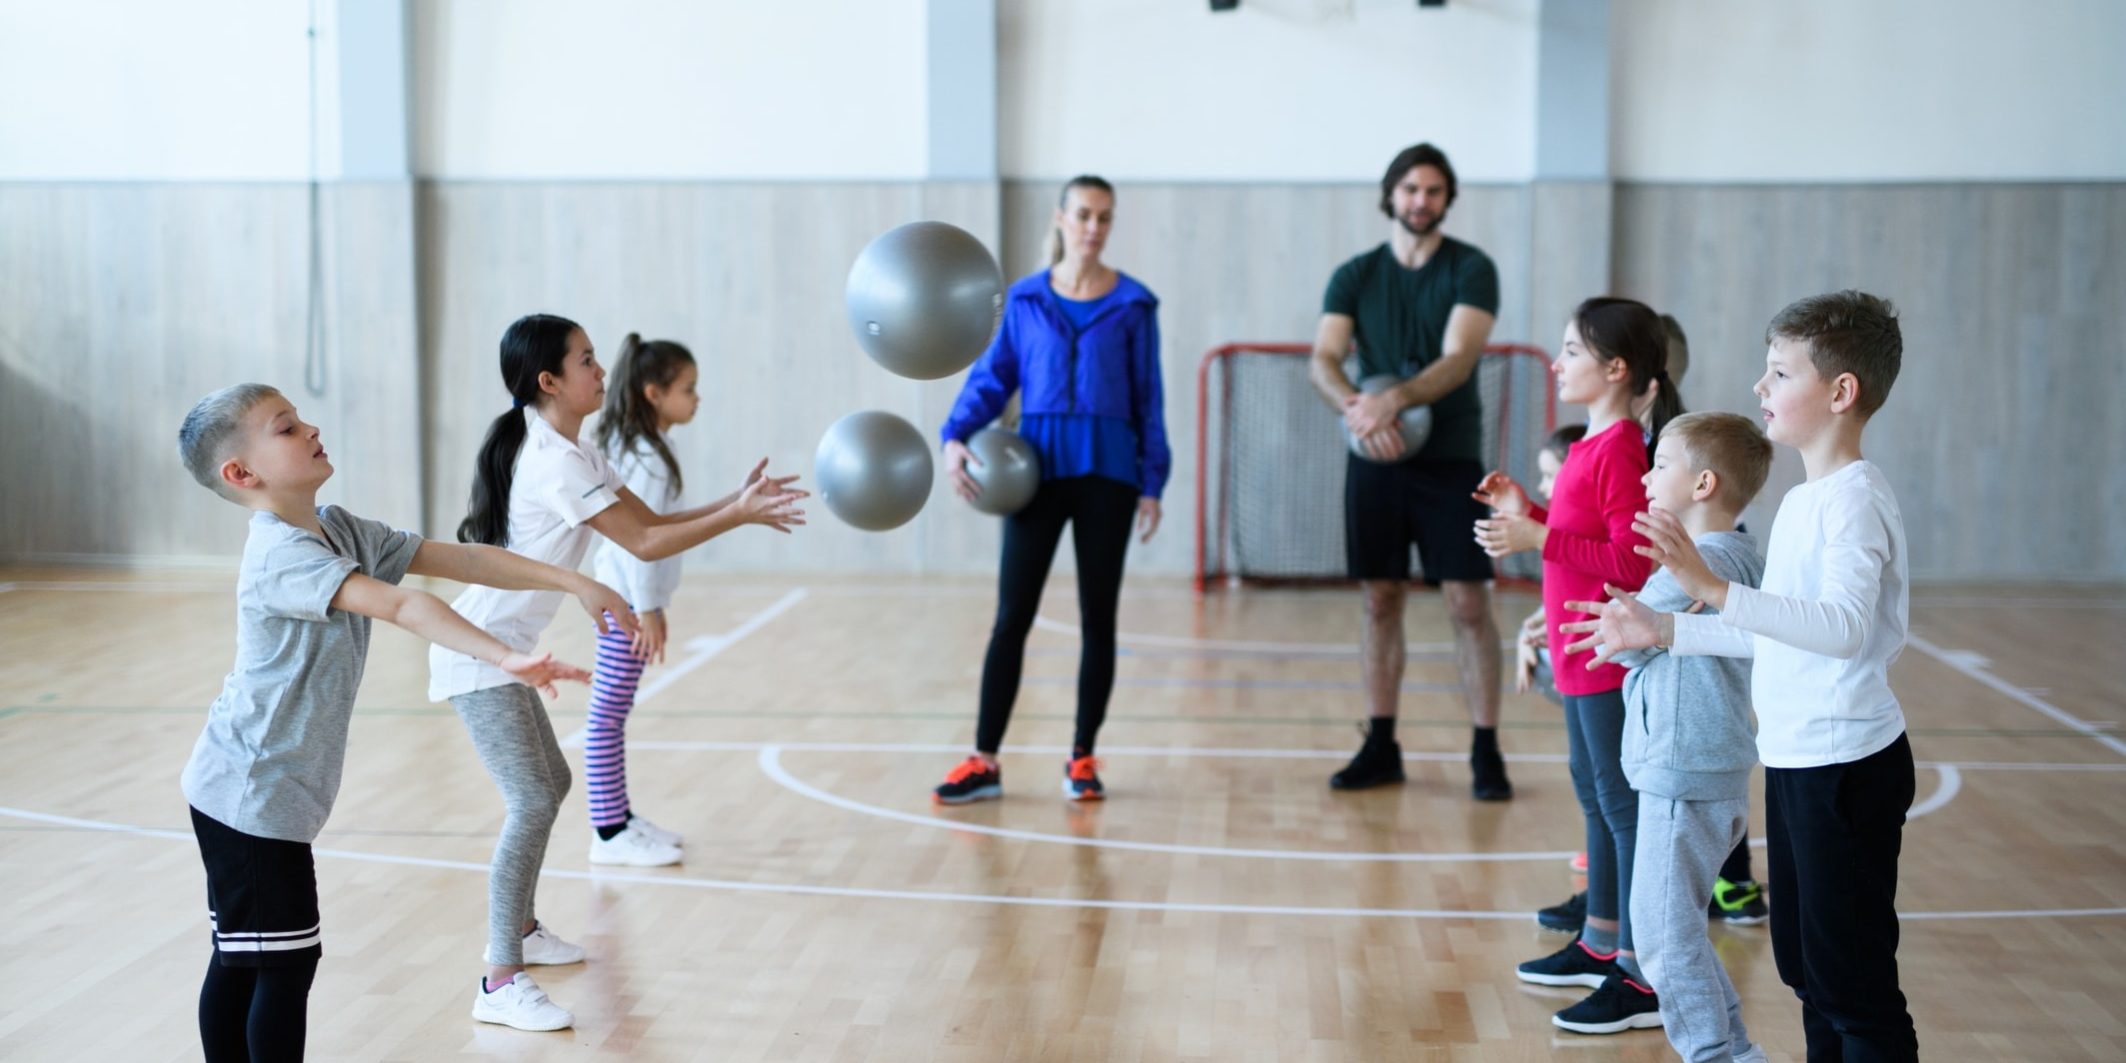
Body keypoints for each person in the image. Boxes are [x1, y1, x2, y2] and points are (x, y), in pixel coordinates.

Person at [175, 383, 619, 1060]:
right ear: (242, 473)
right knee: (280, 964)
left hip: (266, 792)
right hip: (249, 792)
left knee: (249, 956)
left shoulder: (339, 528)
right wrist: (506, 655)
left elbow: (463, 559)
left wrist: (572, 580)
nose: (310, 427)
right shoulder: (281, 555)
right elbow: (405, 607)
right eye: (286, 427)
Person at [1566, 290, 1918, 1061]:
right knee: (1807, 971)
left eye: (1779, 371)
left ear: (1840, 392)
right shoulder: (1802, 499)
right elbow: (1770, 634)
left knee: (1851, 985)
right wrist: (1666, 627)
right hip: (1797, 760)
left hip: (1847, 763)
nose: (1760, 387)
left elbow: (1844, 628)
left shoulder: (1853, 500)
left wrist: (1715, 586)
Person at [433, 313, 804, 1030]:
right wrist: (742, 516)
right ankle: (498, 975)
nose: (601, 371)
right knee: (533, 801)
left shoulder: (575, 448)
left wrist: (737, 504)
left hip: (506, 648)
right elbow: (643, 541)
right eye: (585, 360)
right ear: (549, 381)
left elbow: (649, 521)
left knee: (554, 784)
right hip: (478, 651)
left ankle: (525, 929)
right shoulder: (556, 460)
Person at [1472, 297, 1680, 1032]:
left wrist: (1535, 533)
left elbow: (1630, 558)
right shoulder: (1593, 445)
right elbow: (1577, 533)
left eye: (1571, 351)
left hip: (1604, 651)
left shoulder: (1622, 445)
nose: (1557, 363)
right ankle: (1598, 940)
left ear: (1616, 369)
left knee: (1621, 808)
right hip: (1575, 650)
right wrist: (1527, 507)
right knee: (1594, 796)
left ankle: (1637, 969)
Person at [934, 174, 1169, 805]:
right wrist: (955, 433)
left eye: (1104, 218)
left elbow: (1150, 399)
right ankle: (983, 760)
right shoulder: (1025, 300)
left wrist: (1153, 482)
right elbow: (993, 379)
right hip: (1033, 475)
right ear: (1061, 218)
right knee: (1012, 617)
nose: (1093, 227)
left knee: (1099, 620)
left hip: (1109, 476)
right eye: (1084, 215)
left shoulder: (1135, 305)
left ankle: (1083, 757)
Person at [1308, 142, 1509, 800]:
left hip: (1450, 459)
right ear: (1390, 195)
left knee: (1468, 603)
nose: (1420, 200)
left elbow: (1459, 356)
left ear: (1446, 199)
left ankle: (1485, 748)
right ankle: (1381, 743)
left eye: (1432, 190)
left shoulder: (1471, 269)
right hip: (1375, 459)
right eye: (1410, 189)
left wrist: (1395, 398)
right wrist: (1360, 409)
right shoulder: (1354, 275)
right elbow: (1326, 359)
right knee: (1379, 598)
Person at [1610, 411, 1772, 1054]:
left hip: (1685, 771)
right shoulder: (1731, 555)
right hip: (1703, 770)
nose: (1647, 477)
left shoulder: (1703, 561)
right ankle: (1732, 1052)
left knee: (1662, 936)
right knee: (1675, 932)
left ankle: (1713, 1053)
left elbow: (1628, 639)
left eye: (1660, 465)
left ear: (1703, 483)